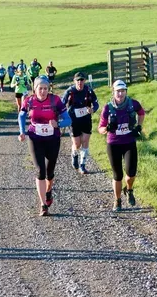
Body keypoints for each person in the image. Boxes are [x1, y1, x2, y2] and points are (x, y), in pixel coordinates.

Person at [18, 76, 71, 216]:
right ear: (35, 89)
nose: (43, 91)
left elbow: (68, 120)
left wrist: (58, 124)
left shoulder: (56, 100)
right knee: (40, 171)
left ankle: (48, 191)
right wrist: (22, 131)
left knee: (50, 172)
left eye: (45, 88)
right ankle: (43, 205)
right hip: (35, 138)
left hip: (53, 139)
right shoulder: (29, 100)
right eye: (40, 88)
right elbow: (21, 115)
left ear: (49, 89)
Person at [98, 80, 145, 212]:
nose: (120, 94)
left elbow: (141, 113)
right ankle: (117, 200)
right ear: (113, 92)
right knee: (117, 175)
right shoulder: (108, 108)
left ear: (126, 92)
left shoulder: (133, 104)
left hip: (129, 142)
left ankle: (129, 189)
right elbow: (100, 128)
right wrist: (107, 128)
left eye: (123, 91)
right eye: (118, 91)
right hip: (113, 144)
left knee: (131, 173)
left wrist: (139, 126)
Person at [62, 72, 99, 174]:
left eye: (82, 80)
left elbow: (96, 103)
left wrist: (93, 109)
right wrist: (62, 115)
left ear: (84, 81)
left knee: (85, 141)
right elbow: (61, 104)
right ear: (74, 81)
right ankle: (74, 154)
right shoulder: (70, 91)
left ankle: (82, 165)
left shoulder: (89, 90)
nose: (80, 82)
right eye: (78, 80)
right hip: (74, 120)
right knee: (77, 144)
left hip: (86, 119)